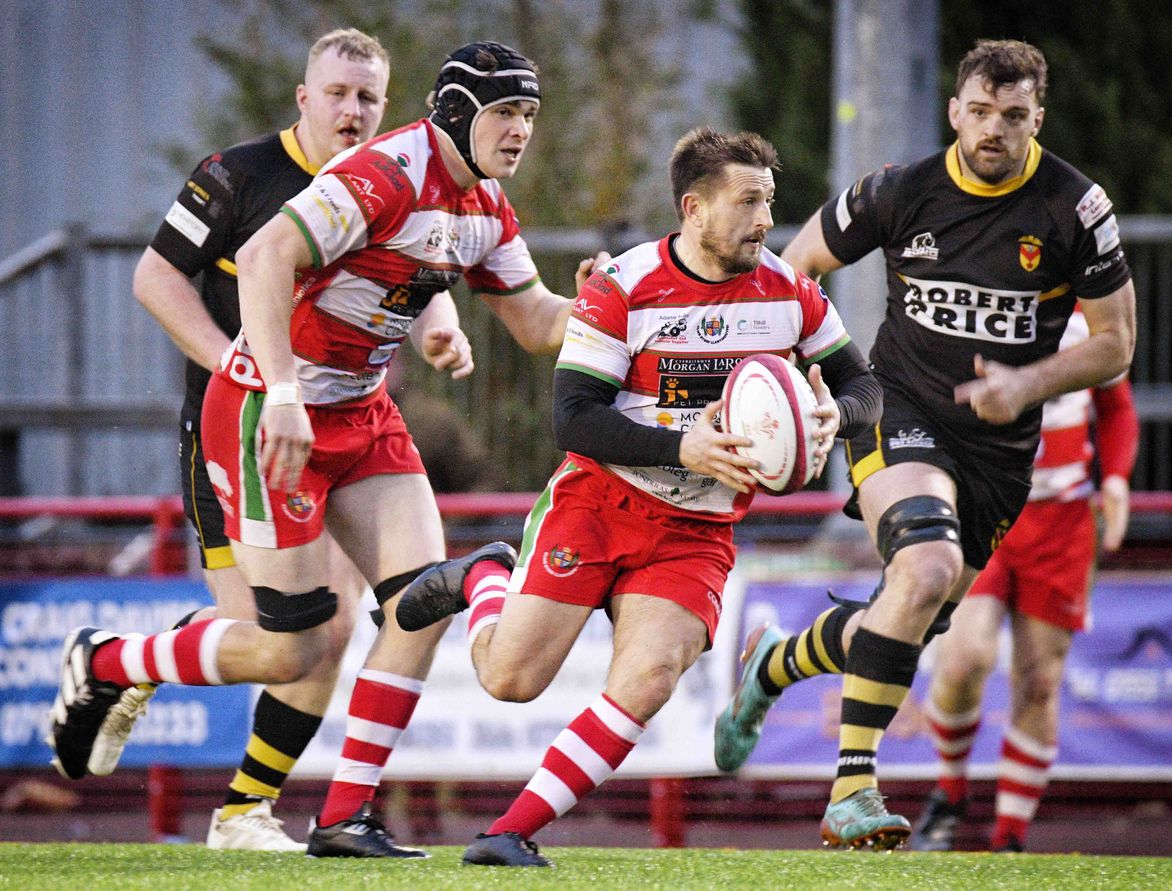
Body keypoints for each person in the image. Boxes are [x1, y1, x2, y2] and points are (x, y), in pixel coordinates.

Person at [48, 40, 603, 859]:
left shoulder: (486, 205)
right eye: (505, 113)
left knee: (424, 601)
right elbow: (268, 254)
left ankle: (344, 816)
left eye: (529, 115)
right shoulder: (382, 175)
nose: (521, 131)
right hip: (263, 410)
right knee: (291, 644)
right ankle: (108, 661)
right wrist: (279, 389)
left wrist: (596, 300)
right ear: (455, 111)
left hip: (359, 410)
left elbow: (535, 323)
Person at [394, 126, 884, 866]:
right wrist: (681, 445)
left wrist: (831, 416)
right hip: (599, 501)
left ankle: (507, 833)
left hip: (698, 528)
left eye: (770, 201)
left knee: (650, 677)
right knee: (508, 678)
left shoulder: (790, 293)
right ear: (693, 207)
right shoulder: (623, 286)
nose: (764, 220)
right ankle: (483, 576)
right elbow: (574, 419)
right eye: (748, 202)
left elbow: (864, 386)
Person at [711, 38, 1136, 851]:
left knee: (912, 612)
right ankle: (852, 791)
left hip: (999, 456)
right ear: (954, 111)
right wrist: (802, 377)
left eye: (1013, 118)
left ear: (1036, 119)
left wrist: (1027, 383)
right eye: (979, 112)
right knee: (929, 568)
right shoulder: (902, 190)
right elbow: (797, 266)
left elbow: (1117, 345)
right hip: (894, 407)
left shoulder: (1074, 207)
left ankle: (774, 665)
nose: (993, 131)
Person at [98, 28, 395, 852]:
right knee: (279, 646)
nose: (352, 111)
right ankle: (119, 660)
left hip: (332, 436)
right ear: (304, 99)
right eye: (336, 93)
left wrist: (441, 325)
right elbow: (154, 277)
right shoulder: (237, 174)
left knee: (330, 632)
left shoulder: (387, 186)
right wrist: (236, 362)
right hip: (233, 435)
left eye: (368, 98)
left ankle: (243, 814)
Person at [911, 308, 1138, 853]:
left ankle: (1009, 842)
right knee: (965, 657)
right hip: (983, 504)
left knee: (1038, 682)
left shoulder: (1093, 308)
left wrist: (1116, 480)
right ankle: (949, 793)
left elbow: (1116, 410)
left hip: (1061, 519)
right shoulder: (979, 291)